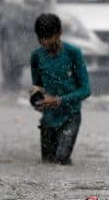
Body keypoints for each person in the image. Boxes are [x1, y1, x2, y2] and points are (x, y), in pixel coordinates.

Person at [29, 13, 91, 165]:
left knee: (61, 159)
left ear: (59, 34)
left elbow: (86, 89)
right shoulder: (36, 56)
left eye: (48, 38)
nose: (45, 43)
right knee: (47, 163)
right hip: (48, 118)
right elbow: (37, 87)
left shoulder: (73, 53)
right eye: (41, 39)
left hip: (70, 116)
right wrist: (36, 100)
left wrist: (59, 100)